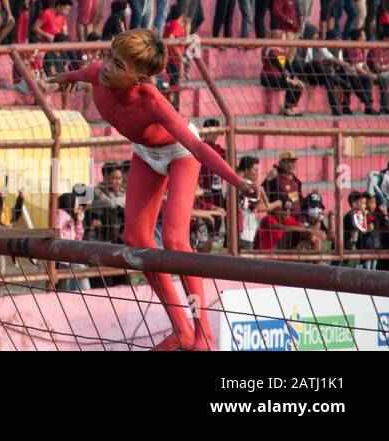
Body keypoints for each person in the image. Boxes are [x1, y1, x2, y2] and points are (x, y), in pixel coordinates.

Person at [49, 29, 263, 350]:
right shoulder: (98, 73)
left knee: (175, 239)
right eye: (109, 56)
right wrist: (65, 77)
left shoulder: (152, 99)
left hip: (180, 153)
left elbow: (197, 146)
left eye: (119, 65)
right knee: (135, 239)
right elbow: (83, 72)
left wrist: (237, 181)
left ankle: (201, 331)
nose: (108, 66)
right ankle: (181, 328)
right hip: (145, 152)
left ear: (141, 78)